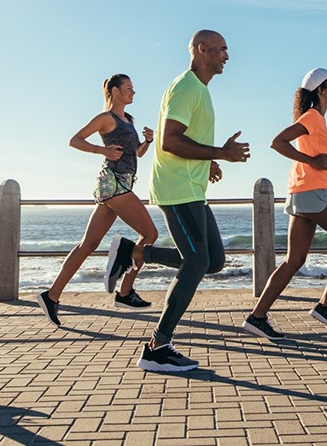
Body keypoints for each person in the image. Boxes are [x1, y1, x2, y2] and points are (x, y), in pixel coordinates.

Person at [105, 30, 250, 372]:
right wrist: (221, 154)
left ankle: (134, 252)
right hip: (177, 188)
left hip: (192, 187)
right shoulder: (186, 87)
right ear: (202, 49)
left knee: (213, 261)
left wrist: (209, 161)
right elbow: (169, 141)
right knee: (196, 262)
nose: (227, 56)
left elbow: (185, 138)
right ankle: (158, 346)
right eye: (222, 49)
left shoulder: (199, 90)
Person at [242, 68, 327, 341]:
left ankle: (257, 317)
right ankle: (326, 306)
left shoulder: (318, 121)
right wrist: (310, 161)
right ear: (321, 90)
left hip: (301, 194)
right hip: (314, 194)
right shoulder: (312, 117)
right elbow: (277, 142)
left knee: (294, 260)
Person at [36, 74, 157, 326]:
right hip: (112, 183)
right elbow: (75, 140)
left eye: (133, 88)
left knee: (87, 245)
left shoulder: (128, 120)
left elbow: (135, 154)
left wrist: (147, 141)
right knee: (150, 234)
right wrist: (101, 150)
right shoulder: (106, 118)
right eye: (128, 88)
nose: (133, 92)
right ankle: (125, 292)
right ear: (114, 91)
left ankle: (51, 295)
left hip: (121, 183)